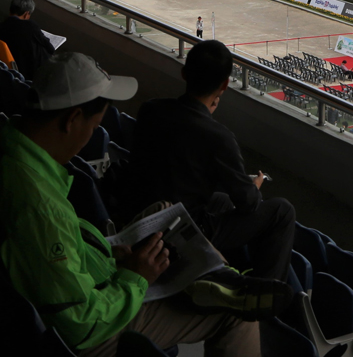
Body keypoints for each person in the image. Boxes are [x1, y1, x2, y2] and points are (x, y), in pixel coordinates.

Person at [0, 52, 261, 357]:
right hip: (88, 332)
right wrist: (134, 278)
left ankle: (217, 280)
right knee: (237, 312)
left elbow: (54, 251)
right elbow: (80, 323)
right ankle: (224, 281)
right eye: (94, 126)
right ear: (72, 120)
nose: (89, 138)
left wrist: (103, 254)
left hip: (73, 297)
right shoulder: (40, 205)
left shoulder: (14, 156)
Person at [127, 41, 295, 281]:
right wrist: (254, 188)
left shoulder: (150, 109)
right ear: (225, 84)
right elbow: (248, 204)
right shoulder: (219, 137)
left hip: (144, 218)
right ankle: (265, 296)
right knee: (282, 211)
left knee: (223, 200)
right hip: (184, 231)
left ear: (184, 73)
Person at [0, 0, 56, 81]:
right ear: (26, 14)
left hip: (11, 70)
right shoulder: (30, 26)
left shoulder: (2, 26)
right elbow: (50, 48)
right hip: (30, 72)